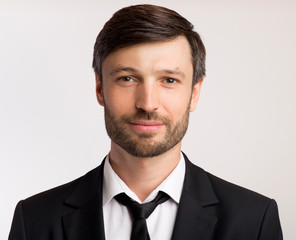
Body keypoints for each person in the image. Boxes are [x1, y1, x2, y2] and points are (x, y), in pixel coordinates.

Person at [9, 4, 283, 240]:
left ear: (194, 93)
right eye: (127, 78)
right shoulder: (34, 221)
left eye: (169, 80)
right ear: (100, 89)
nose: (148, 103)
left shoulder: (253, 220)